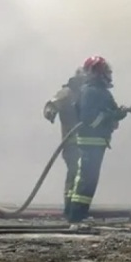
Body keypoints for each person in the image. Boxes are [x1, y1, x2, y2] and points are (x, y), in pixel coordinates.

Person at [67, 55, 131, 226]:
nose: (108, 73)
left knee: (89, 180)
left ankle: (78, 214)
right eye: (105, 70)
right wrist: (110, 115)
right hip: (89, 142)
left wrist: (123, 111)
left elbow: (112, 112)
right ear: (96, 72)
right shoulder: (90, 91)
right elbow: (90, 119)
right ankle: (76, 217)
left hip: (97, 142)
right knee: (85, 180)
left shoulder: (102, 92)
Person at [42, 66, 87, 218]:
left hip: (86, 143)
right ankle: (70, 207)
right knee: (75, 172)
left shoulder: (88, 94)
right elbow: (52, 104)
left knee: (83, 175)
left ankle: (77, 208)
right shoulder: (67, 93)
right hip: (71, 143)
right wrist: (50, 112)